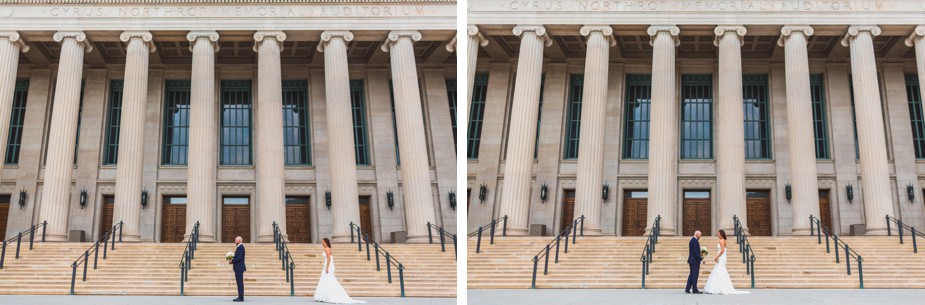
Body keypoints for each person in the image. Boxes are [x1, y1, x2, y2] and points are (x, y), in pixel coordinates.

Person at [314, 238, 365, 304]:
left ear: (326, 242)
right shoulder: (329, 248)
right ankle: (325, 295)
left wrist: (327, 268)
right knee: (326, 280)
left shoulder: (327, 249)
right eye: (322, 241)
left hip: (328, 265)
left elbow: (329, 259)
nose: (322, 243)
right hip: (328, 264)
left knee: (328, 279)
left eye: (323, 241)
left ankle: (327, 296)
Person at [703, 230, 750, 295]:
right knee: (720, 270)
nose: (717, 234)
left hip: (721, 257)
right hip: (723, 257)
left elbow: (722, 250)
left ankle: (718, 287)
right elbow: (725, 249)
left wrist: (717, 257)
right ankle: (720, 286)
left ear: (721, 234)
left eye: (718, 233)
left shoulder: (721, 240)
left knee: (719, 270)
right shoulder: (724, 240)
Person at [685, 230, 703, 294]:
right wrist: (701, 259)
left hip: (692, 260)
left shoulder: (692, 240)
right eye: (700, 235)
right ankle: (694, 290)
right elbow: (695, 252)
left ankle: (687, 288)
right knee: (695, 275)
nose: (700, 237)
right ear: (696, 234)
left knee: (692, 275)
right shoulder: (695, 241)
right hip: (694, 261)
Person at [229, 236, 246, 302]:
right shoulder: (239, 247)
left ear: (239, 241)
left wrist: (232, 261)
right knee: (239, 283)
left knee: (240, 283)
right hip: (238, 268)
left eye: (236, 240)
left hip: (239, 268)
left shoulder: (240, 248)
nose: (235, 241)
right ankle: (240, 296)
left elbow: (239, 258)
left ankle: (241, 298)